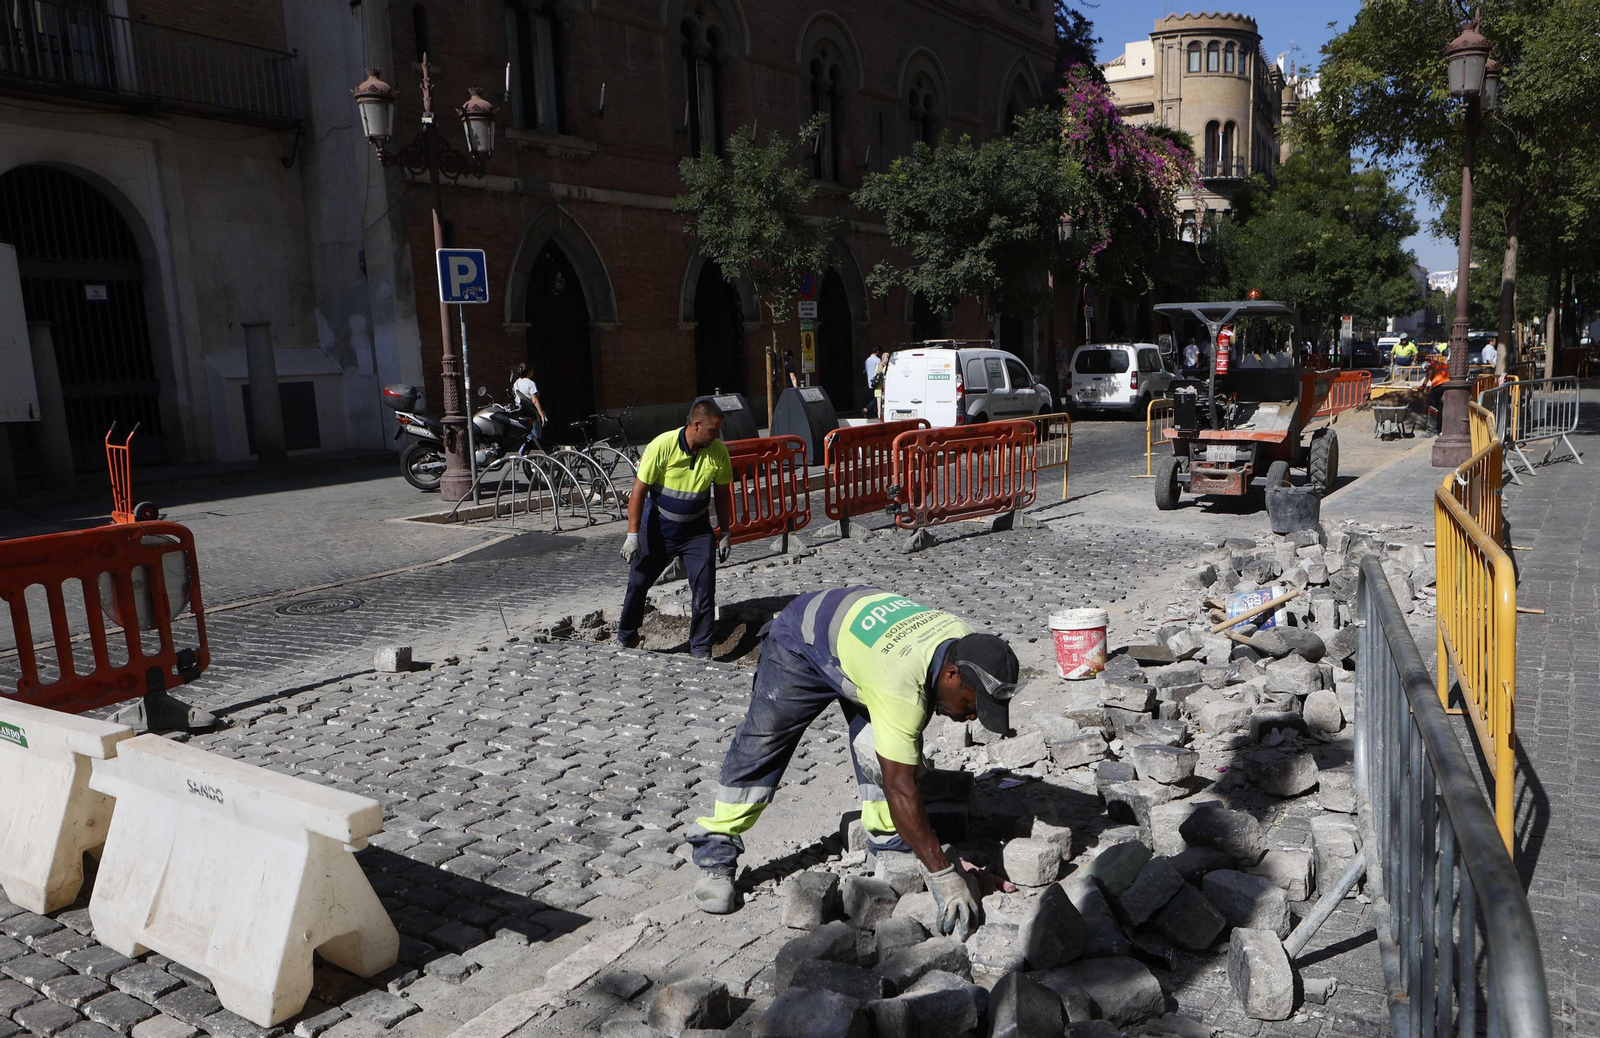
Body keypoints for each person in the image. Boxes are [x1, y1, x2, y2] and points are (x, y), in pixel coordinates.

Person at [685, 586, 1022, 932]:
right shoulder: (902, 682)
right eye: (970, 705)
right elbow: (900, 785)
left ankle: (887, 835)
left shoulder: (967, 644)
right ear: (951, 675)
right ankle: (716, 846)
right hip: (802, 640)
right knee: (764, 740)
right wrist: (943, 873)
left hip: (866, 650)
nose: (970, 717)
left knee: (885, 747)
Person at [617, 401, 735, 659]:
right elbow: (638, 491)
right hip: (657, 529)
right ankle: (627, 634)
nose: (717, 436)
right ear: (696, 425)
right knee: (638, 583)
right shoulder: (663, 446)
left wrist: (724, 531)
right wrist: (632, 536)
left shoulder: (717, 452)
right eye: (713, 430)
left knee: (704, 587)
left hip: (696, 531)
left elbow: (724, 492)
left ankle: (701, 648)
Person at [510, 362, 550, 450]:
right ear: (529, 371)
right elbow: (535, 401)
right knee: (536, 440)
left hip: (521, 414)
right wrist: (542, 415)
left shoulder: (516, 383)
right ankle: (537, 459)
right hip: (531, 414)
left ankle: (521, 459)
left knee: (524, 440)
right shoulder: (530, 383)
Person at [864, 351, 882, 417]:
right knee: (876, 397)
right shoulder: (878, 360)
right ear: (877, 352)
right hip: (877, 381)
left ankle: (873, 411)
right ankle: (867, 409)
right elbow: (879, 371)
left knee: (874, 396)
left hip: (870, 381)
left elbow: (865, 370)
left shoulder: (867, 360)